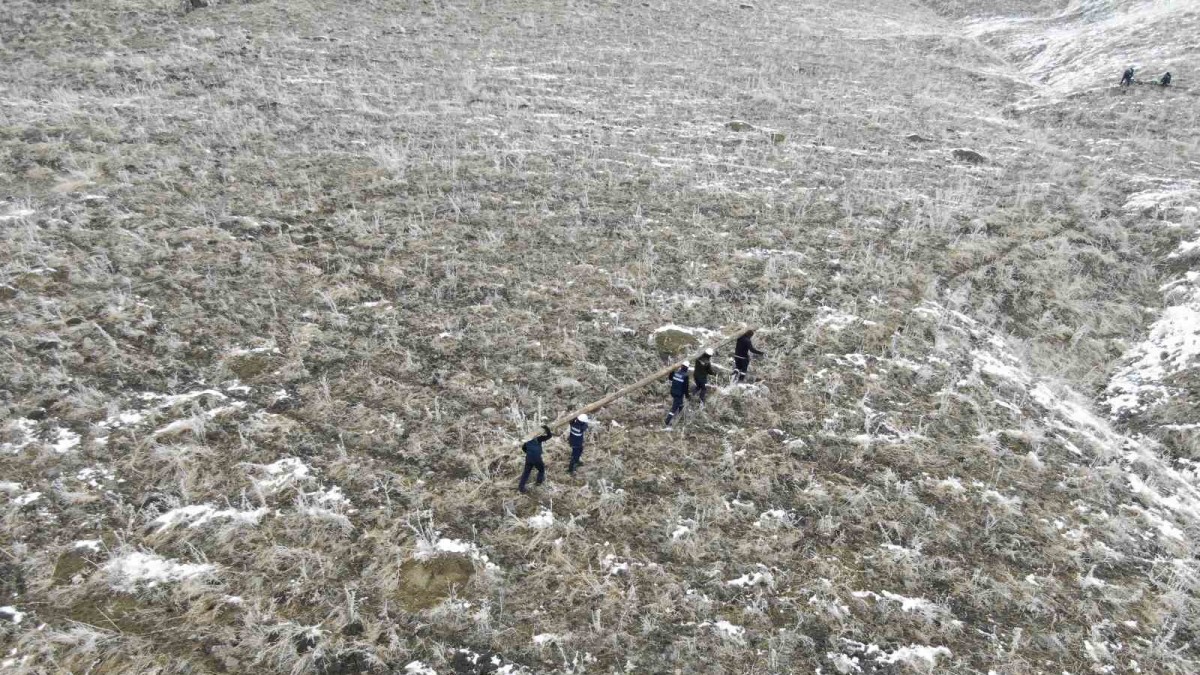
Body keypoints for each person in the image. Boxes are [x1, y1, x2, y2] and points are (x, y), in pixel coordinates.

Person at [519, 424, 553, 493]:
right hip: (537, 458)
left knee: (526, 472)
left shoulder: (527, 440)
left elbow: (523, 448)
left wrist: (529, 452)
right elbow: (549, 436)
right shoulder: (539, 438)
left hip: (529, 458)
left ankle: (521, 488)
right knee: (541, 469)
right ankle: (539, 482)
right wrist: (547, 428)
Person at [664, 362, 691, 428]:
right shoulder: (685, 376)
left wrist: (672, 371)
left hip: (673, 392)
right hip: (679, 394)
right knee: (674, 408)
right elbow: (685, 388)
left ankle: (680, 415)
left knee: (680, 403)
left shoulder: (675, 373)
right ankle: (667, 421)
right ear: (687, 368)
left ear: (681, 366)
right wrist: (687, 396)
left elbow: (670, 378)